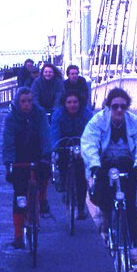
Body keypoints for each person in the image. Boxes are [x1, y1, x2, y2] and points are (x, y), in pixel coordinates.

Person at [81, 87, 137, 267]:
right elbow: (89, 143)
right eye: (115, 107)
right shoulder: (98, 121)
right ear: (109, 107)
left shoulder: (134, 122)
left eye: (123, 106)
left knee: (131, 207)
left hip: (127, 163)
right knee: (101, 198)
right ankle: (105, 214)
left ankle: (133, 249)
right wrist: (94, 165)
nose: (119, 110)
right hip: (104, 163)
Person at [3, 87, 52, 249]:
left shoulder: (40, 114)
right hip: (19, 158)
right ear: (18, 102)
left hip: (37, 154)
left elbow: (45, 135)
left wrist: (46, 154)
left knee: (45, 173)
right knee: (19, 196)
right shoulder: (11, 119)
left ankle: (42, 197)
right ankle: (18, 235)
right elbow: (8, 142)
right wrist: (9, 163)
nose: (27, 104)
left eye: (30, 101)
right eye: (23, 101)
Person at [50, 91, 93, 220]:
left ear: (80, 103)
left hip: (81, 143)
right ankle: (64, 184)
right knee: (62, 161)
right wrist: (55, 146)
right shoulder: (58, 114)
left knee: (81, 176)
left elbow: (91, 132)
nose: (72, 105)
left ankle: (80, 207)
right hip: (64, 142)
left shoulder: (86, 114)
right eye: (69, 102)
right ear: (64, 103)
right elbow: (54, 131)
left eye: (75, 102)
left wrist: (89, 146)